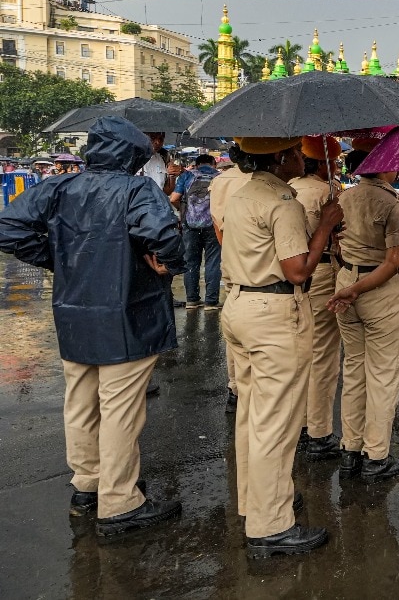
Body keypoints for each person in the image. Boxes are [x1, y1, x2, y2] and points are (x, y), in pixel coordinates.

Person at [0, 117, 185, 535]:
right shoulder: (137, 189)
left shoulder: (58, 186)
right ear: (133, 156)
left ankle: (88, 482)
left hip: (74, 310)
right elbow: (163, 234)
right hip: (127, 312)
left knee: (81, 401)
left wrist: (56, 257)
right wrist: (165, 264)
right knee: (120, 409)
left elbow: (9, 227)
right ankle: (119, 501)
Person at [220, 136, 343, 557]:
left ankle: (253, 502)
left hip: (238, 303)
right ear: (280, 157)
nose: (300, 159)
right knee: (276, 420)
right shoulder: (282, 202)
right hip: (272, 313)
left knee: (252, 413)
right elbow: (297, 270)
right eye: (294, 154)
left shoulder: (241, 193)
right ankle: (270, 524)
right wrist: (325, 226)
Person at [326, 150, 399, 483]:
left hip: (346, 282)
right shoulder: (392, 204)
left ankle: (351, 450)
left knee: (354, 371)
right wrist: (359, 288)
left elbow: (336, 245)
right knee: (382, 376)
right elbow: (394, 262)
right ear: (385, 166)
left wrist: (350, 286)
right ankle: (376, 456)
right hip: (379, 292)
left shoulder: (343, 198)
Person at [288, 136, 344, 460]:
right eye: (332, 163)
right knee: (323, 354)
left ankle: (300, 423)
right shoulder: (327, 193)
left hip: (291, 276)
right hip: (320, 271)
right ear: (321, 163)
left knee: (301, 352)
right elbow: (340, 234)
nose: (335, 167)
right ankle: (318, 431)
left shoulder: (290, 187)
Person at [209, 147, 255, 413]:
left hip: (230, 256)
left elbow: (218, 225)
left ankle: (235, 388)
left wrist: (228, 250)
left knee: (234, 318)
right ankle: (247, 389)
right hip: (258, 261)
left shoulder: (220, 181)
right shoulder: (260, 182)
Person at [171, 153, 223, 310]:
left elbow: (173, 198)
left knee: (191, 262)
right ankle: (211, 302)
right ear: (213, 163)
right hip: (213, 225)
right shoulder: (219, 177)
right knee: (213, 262)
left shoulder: (186, 176)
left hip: (190, 225)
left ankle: (192, 300)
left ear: (197, 164)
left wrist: (183, 211)